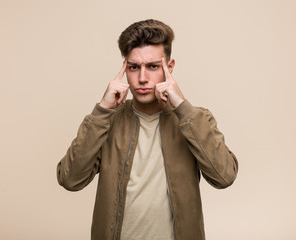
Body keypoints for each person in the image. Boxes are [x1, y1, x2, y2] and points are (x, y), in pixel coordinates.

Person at [57, 19, 238, 240]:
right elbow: (70, 180)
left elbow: (224, 176)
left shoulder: (195, 119)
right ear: (125, 68)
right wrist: (102, 111)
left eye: (153, 66)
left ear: (169, 68)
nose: (142, 79)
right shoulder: (106, 121)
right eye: (134, 67)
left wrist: (182, 106)